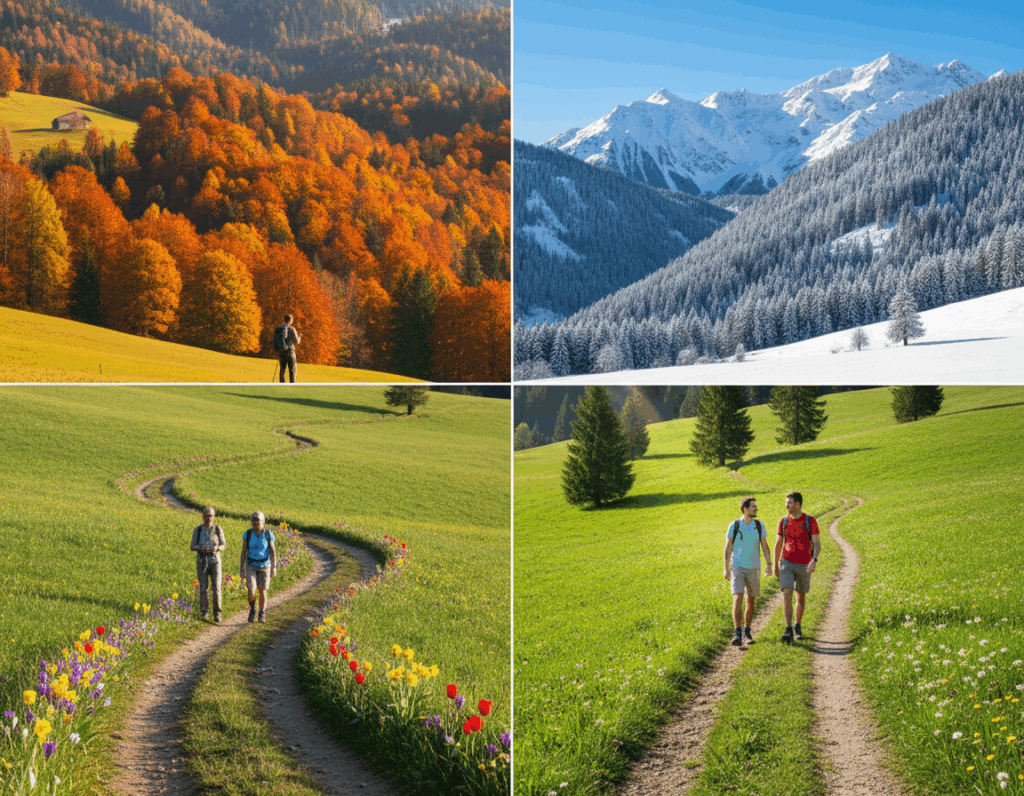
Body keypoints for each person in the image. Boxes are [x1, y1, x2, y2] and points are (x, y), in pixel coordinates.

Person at [723, 496, 772, 646]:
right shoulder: (734, 525)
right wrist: (726, 568)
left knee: (751, 599)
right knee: (737, 597)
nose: (756, 508)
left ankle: (747, 631)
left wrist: (769, 564)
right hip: (737, 567)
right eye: (753, 506)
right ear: (745, 509)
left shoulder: (759, 525)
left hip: (754, 567)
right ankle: (737, 632)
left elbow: (765, 546)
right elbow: (728, 548)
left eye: (756, 506)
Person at [773, 491, 821, 644]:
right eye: (786, 502)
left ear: (798, 504)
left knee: (800, 595)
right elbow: (778, 543)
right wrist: (775, 564)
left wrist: (814, 560)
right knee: (787, 592)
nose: (786, 505)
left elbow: (817, 543)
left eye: (790, 503)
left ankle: (797, 625)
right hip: (786, 561)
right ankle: (788, 629)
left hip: (804, 563)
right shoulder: (783, 521)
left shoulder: (810, 521)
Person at [190, 507, 226, 623]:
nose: (208, 518)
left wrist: (217, 548)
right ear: (203, 516)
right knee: (203, 588)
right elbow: (192, 546)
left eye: (210, 515)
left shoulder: (218, 529)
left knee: (217, 587)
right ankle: (204, 612)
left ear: (214, 516)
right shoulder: (198, 530)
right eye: (206, 516)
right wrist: (200, 548)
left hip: (215, 560)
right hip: (202, 561)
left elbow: (223, 545)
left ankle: (217, 613)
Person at [240, 511, 276, 623]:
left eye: (258, 519)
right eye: (253, 520)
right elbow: (243, 551)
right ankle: (252, 609)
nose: (255, 522)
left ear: (263, 521)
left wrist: (274, 567)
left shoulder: (268, 534)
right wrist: (241, 567)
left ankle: (262, 613)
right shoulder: (248, 534)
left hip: (265, 565)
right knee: (251, 590)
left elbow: (272, 551)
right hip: (251, 565)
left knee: (262, 590)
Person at [273, 314, 301, 383]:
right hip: (290, 351)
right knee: (292, 369)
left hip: (281, 351)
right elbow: (297, 341)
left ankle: (282, 384)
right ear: (291, 320)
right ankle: (292, 385)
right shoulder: (292, 329)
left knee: (282, 369)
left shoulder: (279, 328)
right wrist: (300, 337)